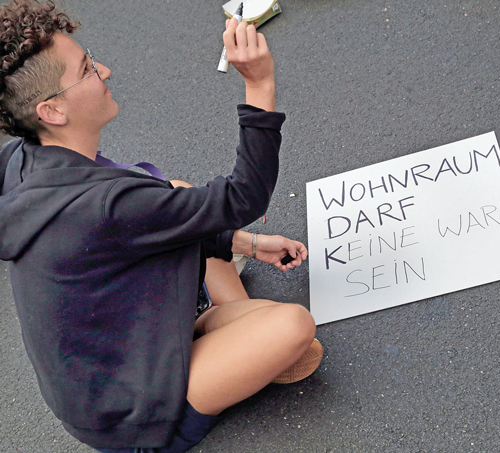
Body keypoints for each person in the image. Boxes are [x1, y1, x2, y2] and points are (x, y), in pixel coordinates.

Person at [0, 1, 322, 451]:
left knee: (173, 193)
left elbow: (137, 226)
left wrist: (243, 243)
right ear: (52, 111)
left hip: (110, 364)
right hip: (131, 414)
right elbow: (242, 197)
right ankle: (225, 339)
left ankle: (225, 335)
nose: (105, 71)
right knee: (293, 327)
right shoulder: (107, 205)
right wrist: (259, 83)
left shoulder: (22, 159)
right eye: (87, 70)